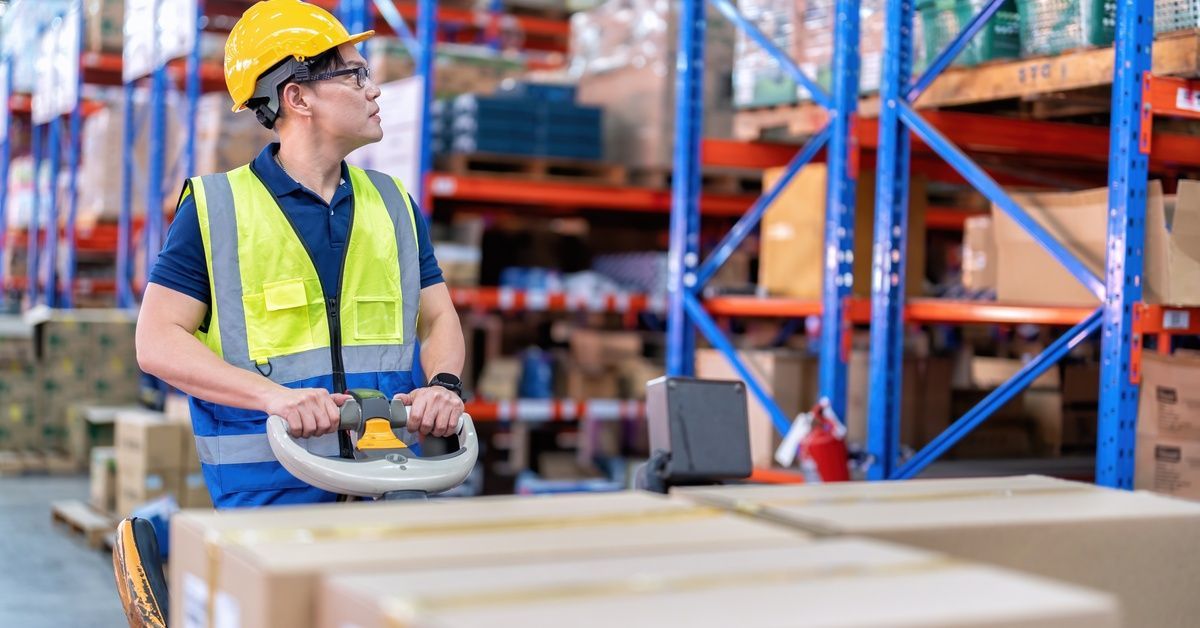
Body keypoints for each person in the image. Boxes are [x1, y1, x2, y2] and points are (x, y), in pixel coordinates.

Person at [135, 0, 466, 508]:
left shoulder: (394, 203)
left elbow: (439, 315)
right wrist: (275, 399)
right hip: (269, 498)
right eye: (355, 77)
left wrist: (442, 384)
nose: (373, 89)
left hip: (387, 481)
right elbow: (157, 341)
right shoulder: (216, 209)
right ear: (298, 97)